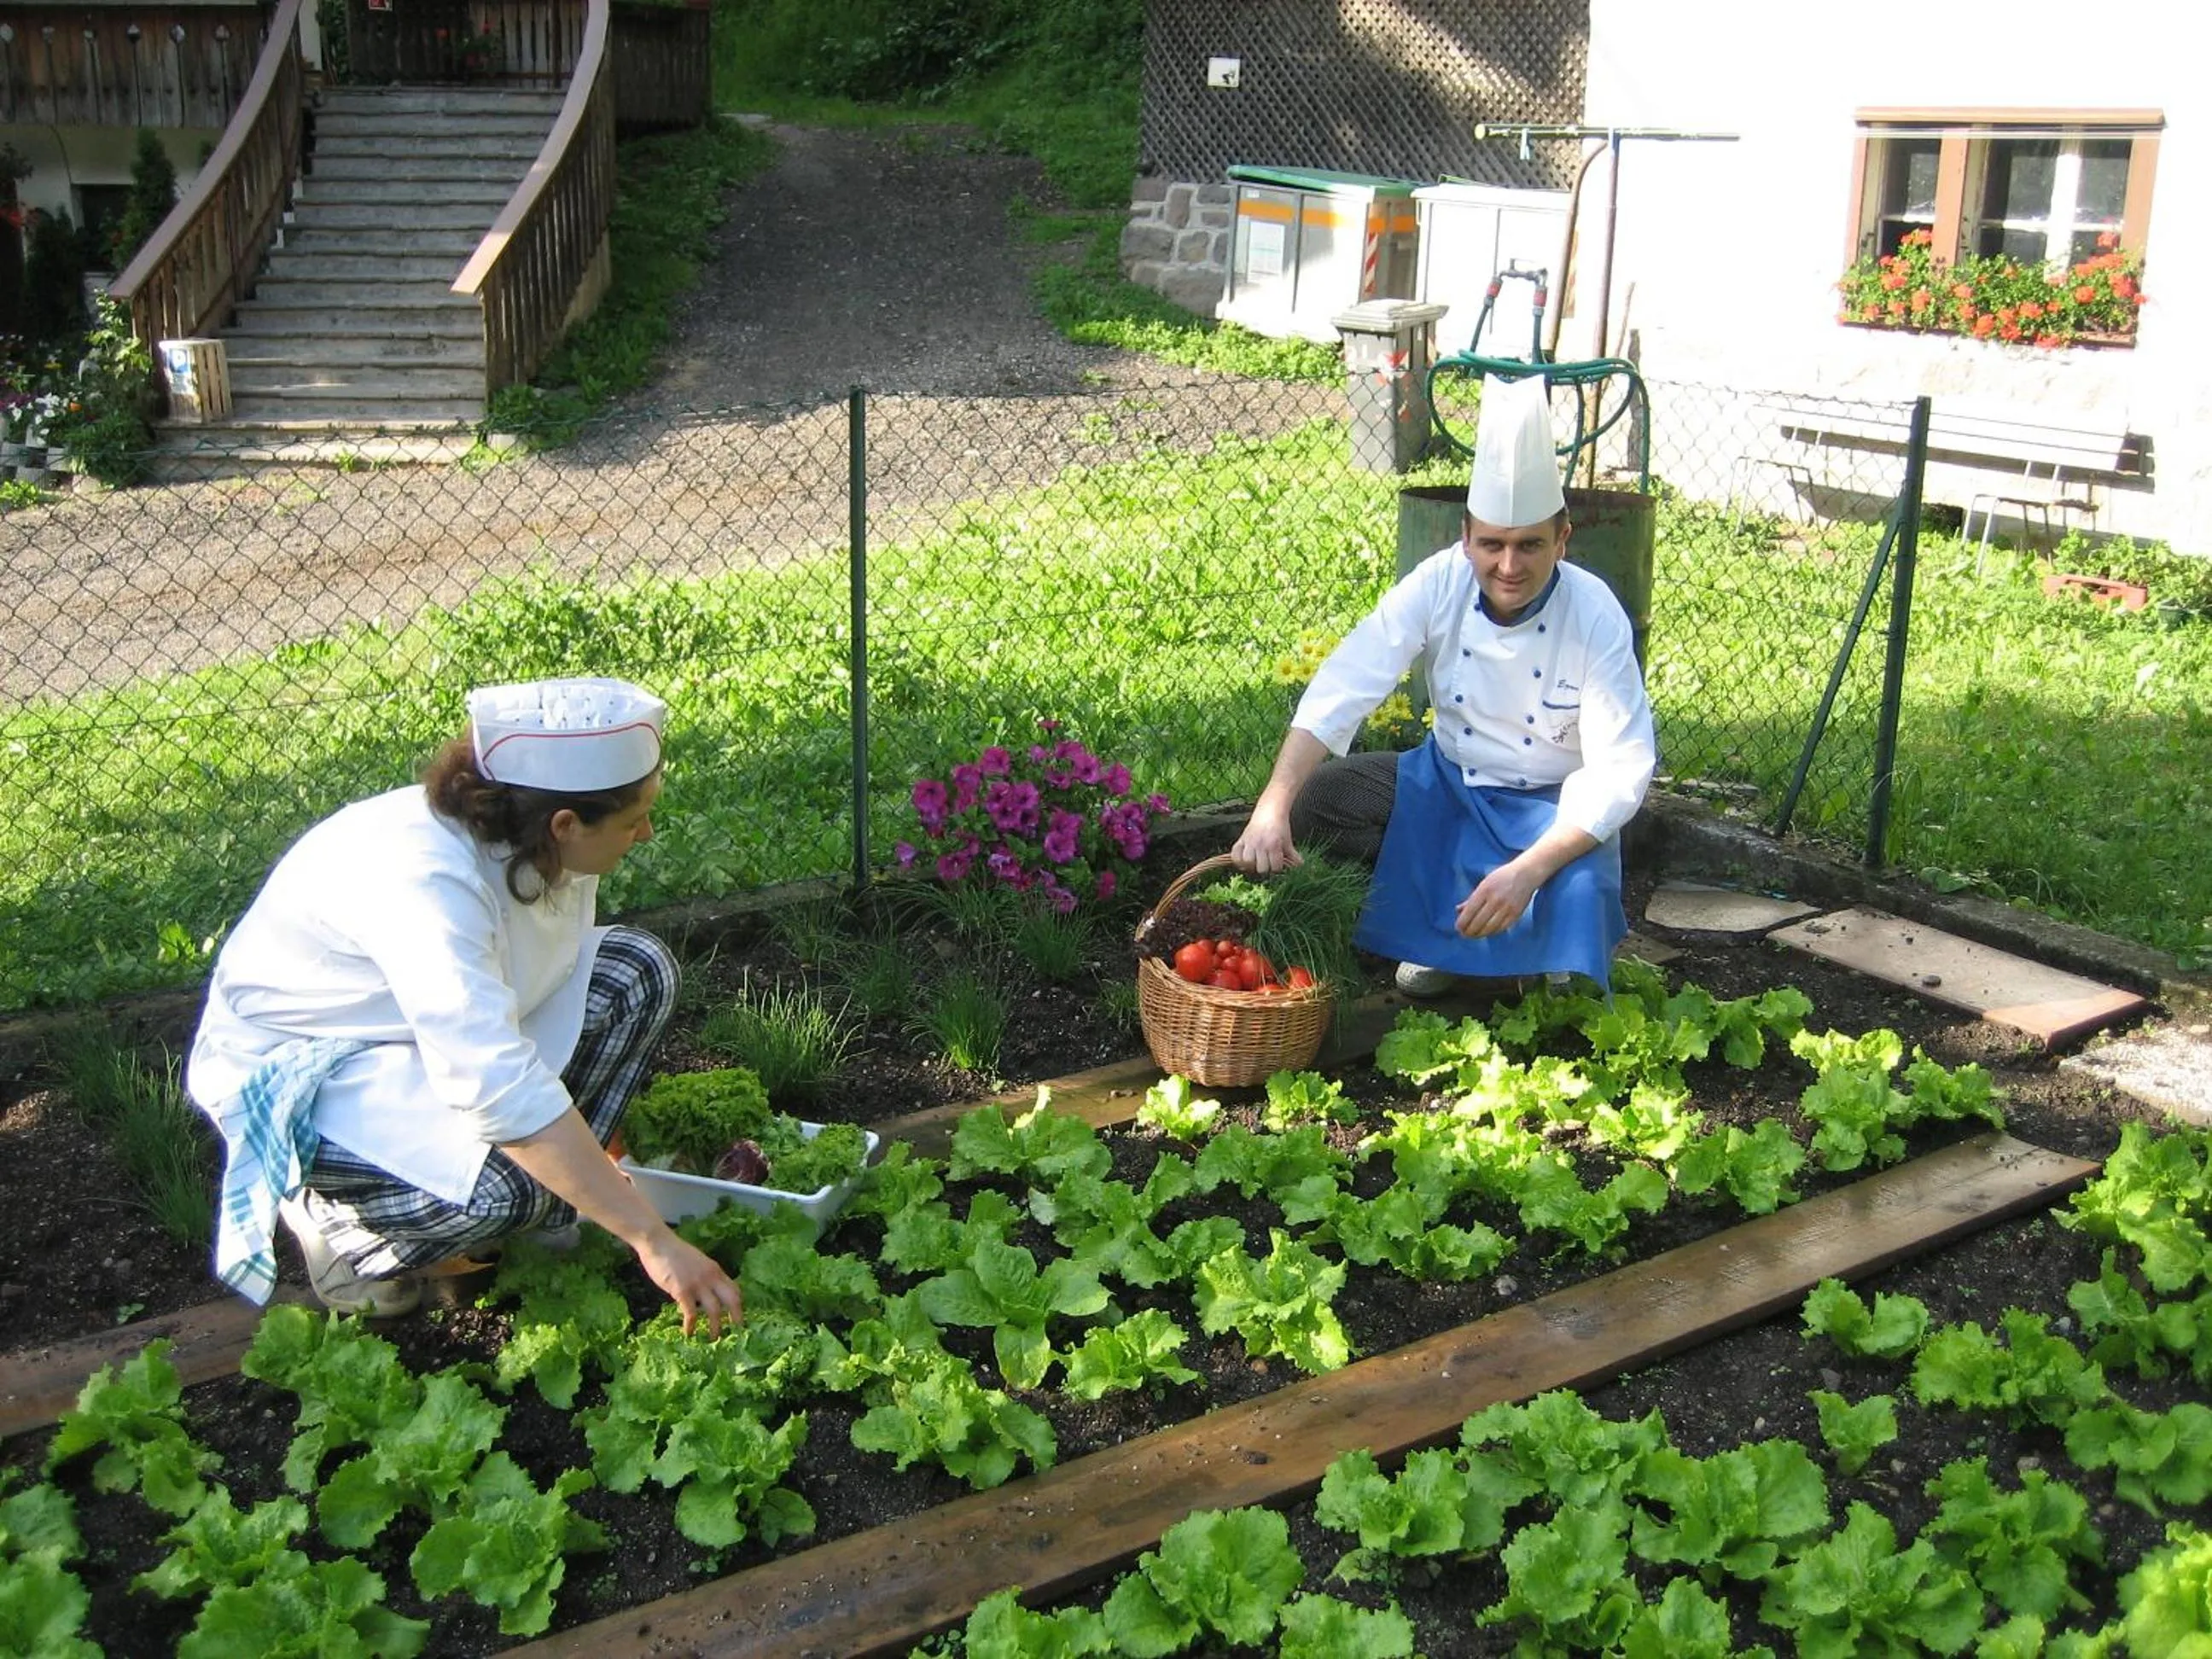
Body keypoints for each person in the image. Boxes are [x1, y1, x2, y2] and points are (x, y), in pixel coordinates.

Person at [187, 676, 744, 1333]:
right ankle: (341, 1226)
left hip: (420, 1031)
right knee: (503, 1195)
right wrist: (652, 1240)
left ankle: (555, 1198)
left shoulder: (534, 830)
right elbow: (496, 1087)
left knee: (636, 972)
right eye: (632, 820)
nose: (646, 833)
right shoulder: (428, 883)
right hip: (314, 1065)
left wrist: (596, 1171)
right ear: (566, 825)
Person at [1231, 373, 1656, 993]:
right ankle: (1436, 929)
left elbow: (1621, 767)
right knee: (1320, 798)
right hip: (1450, 781)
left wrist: (1530, 870)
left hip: (1550, 806)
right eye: (1491, 544)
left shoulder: (1595, 614)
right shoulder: (1439, 581)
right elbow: (1347, 679)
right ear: (1465, 537)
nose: (1508, 566)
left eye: (1529, 545)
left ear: (1562, 540)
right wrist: (1272, 805)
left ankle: (1523, 937)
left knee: (1580, 890)